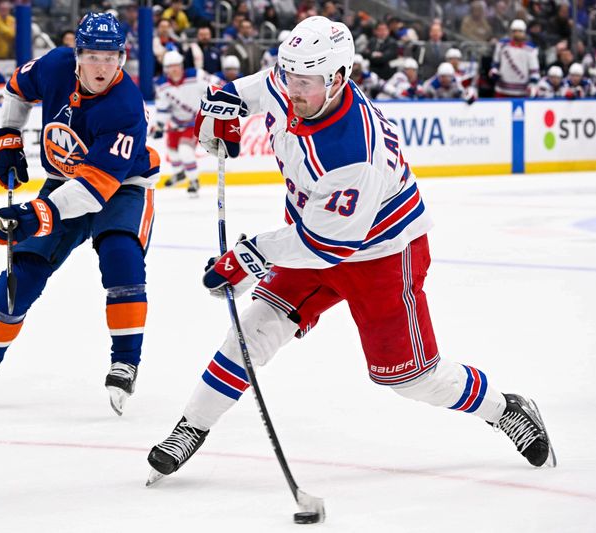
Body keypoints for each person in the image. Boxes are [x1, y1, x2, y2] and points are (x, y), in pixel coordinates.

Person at [146, 15, 557, 482]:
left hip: (381, 256)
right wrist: (224, 105)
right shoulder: (295, 84)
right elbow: (258, 88)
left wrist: (248, 257)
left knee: (412, 380)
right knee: (250, 334)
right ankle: (191, 427)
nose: (292, 90)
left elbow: (327, 246)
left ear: (339, 79)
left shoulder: (355, 152)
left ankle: (504, 409)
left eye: (305, 82)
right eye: (289, 76)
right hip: (309, 240)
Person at [0, 13, 160, 417]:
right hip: (62, 180)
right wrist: (7, 139)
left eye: (111, 57)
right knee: (23, 270)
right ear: (77, 55)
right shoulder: (54, 66)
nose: (103, 67)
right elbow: (16, 88)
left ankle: (125, 360)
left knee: (122, 257)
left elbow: (94, 190)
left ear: (122, 58)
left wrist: (37, 213)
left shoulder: (125, 107)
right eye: (93, 56)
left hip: (122, 188)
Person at [153, 50, 218, 195]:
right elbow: (163, 108)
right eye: (171, 67)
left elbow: (218, 85)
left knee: (185, 151)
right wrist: (160, 125)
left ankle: (194, 180)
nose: (174, 69)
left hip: (195, 122)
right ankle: (180, 173)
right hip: (176, 123)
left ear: (182, 66)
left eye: (177, 66)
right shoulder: (162, 85)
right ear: (166, 69)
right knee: (172, 151)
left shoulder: (196, 76)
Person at [490, 19, 540, 97]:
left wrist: (533, 84)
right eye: (514, 31)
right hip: (502, 89)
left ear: (524, 33)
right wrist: (494, 71)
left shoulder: (530, 49)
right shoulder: (502, 44)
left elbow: (534, 70)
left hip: (522, 91)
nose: (517, 33)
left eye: (520, 31)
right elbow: (495, 63)